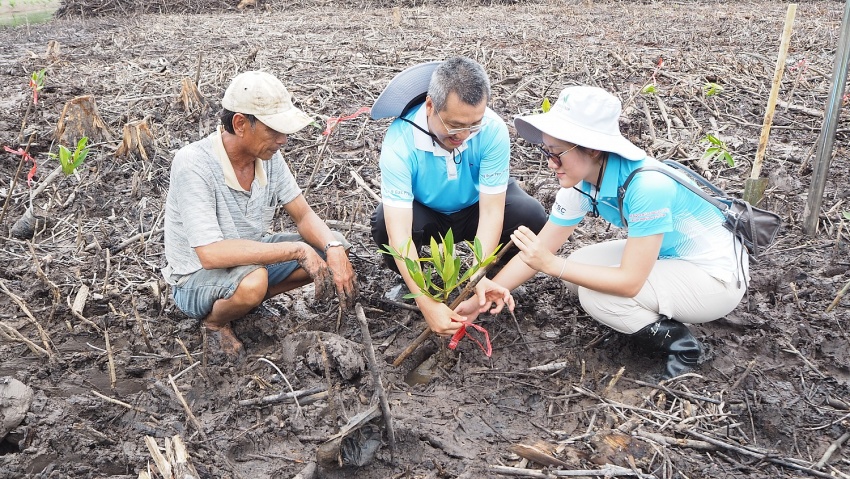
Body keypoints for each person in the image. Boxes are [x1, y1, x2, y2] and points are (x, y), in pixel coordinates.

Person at [457, 86, 749, 379]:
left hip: (716, 279)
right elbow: (540, 251)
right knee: (581, 269)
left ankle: (683, 346)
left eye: (557, 153)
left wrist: (553, 266)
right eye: (546, 151)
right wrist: (476, 303)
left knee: (600, 297)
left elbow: (628, 282)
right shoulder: (582, 181)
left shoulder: (647, 187)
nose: (550, 163)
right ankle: (640, 318)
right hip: (673, 258)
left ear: (593, 148)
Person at [163, 71, 357, 359]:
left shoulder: (269, 157)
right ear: (240, 123)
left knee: (333, 244)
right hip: (195, 280)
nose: (283, 140)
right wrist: (296, 250)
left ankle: (247, 299)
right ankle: (215, 322)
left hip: (249, 264)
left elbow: (303, 215)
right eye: (273, 130)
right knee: (254, 280)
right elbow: (210, 255)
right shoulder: (194, 163)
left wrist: (333, 248)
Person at [370, 57, 548, 336]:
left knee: (531, 216)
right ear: (430, 106)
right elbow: (400, 233)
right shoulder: (399, 142)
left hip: (475, 207)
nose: (464, 135)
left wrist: (476, 275)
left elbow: (491, 212)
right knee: (384, 224)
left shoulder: (492, 129)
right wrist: (426, 304)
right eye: (454, 126)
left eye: (473, 125)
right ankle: (417, 284)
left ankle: (493, 279)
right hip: (428, 213)